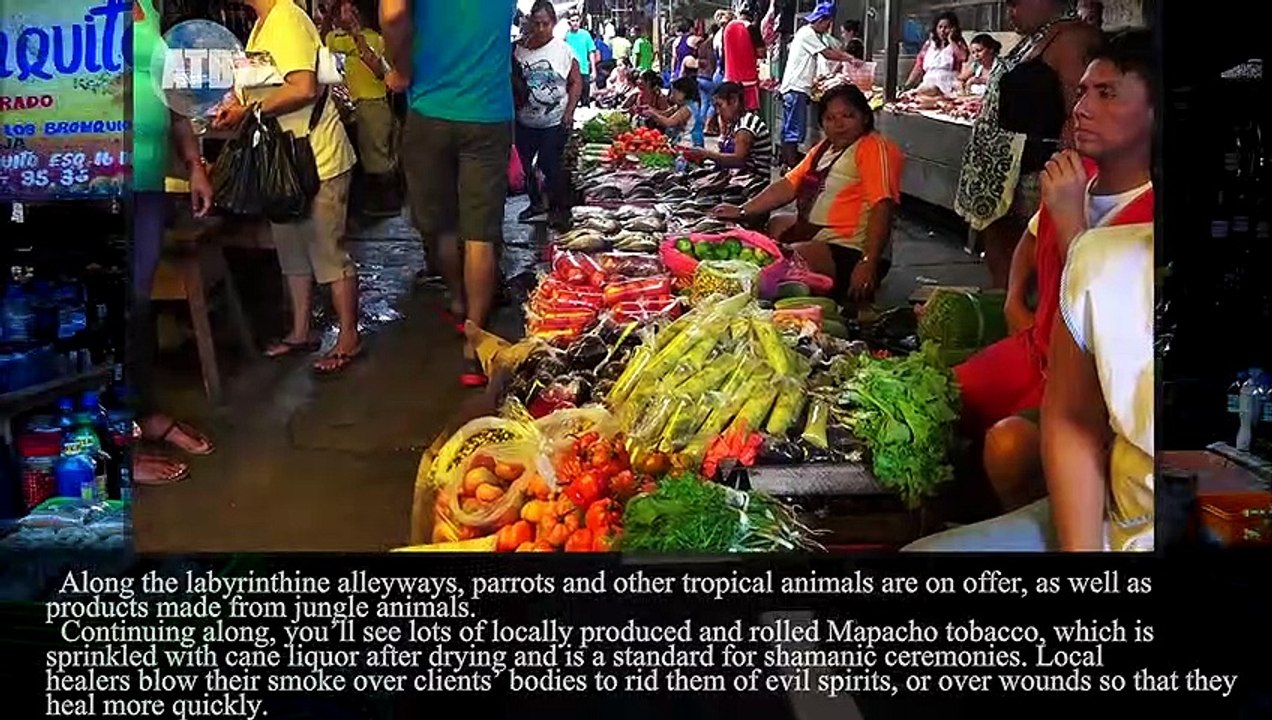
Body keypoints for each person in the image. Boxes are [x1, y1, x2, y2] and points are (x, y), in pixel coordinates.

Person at [905, 30, 1156, 552]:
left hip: (1089, 381)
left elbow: (1106, 331)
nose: (1082, 108)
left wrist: (1072, 226)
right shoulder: (1077, 176)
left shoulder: (1145, 216)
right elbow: (1028, 241)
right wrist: (1015, 298)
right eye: (1082, 92)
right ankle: (945, 516)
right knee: (927, 403)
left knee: (1008, 445)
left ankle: (1020, 522)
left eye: (1107, 94)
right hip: (1034, 350)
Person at [213, 0, 361, 375]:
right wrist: (236, 103)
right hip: (284, 159)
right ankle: (300, 332)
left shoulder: (288, 19)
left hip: (316, 157)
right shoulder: (262, 25)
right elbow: (261, 86)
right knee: (292, 249)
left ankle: (348, 337)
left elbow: (304, 87)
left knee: (327, 250)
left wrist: (249, 112)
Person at [382, 0, 516, 387]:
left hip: (431, 110)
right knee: (480, 234)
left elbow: (392, 13)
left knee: (441, 225)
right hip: (489, 112)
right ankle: (475, 342)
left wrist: (400, 69)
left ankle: (458, 300)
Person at [953, 0, 1102, 289]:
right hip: (1006, 177)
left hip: (1039, 172)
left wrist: (1063, 173)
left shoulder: (1072, 39)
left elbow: (1078, 113)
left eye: (1016, 3)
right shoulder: (1034, 38)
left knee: (1037, 268)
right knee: (1006, 265)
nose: (1010, 10)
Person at [712, 84, 902, 310]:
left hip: (852, 246)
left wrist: (868, 262)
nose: (839, 124)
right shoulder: (825, 148)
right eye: (830, 118)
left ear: (865, 118)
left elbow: (883, 205)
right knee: (775, 225)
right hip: (821, 233)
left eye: (848, 116)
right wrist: (743, 210)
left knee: (788, 263)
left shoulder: (873, 147)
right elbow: (787, 185)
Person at [131, 0, 216, 485]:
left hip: (146, 183)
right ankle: (115, 447)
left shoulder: (147, 5)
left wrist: (194, 164)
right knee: (99, 309)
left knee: (136, 305)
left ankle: (146, 414)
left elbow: (171, 95)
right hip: (88, 182)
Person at [515, 0, 582, 227]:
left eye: (545, 23)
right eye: (537, 23)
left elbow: (575, 82)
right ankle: (535, 203)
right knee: (525, 166)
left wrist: (569, 111)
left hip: (554, 120)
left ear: (553, 23)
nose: (541, 28)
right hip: (524, 121)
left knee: (549, 164)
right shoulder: (518, 50)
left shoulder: (563, 50)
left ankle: (555, 208)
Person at [325, 1, 396, 200]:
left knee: (376, 155)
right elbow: (324, 43)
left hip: (372, 103)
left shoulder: (373, 39)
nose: (346, 15)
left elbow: (379, 69)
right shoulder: (339, 39)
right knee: (365, 154)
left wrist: (356, 35)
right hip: (355, 103)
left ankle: (386, 200)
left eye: (350, 10)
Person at [778, 2, 862, 169]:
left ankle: (786, 163)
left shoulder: (809, 34)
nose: (828, 27)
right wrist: (850, 59)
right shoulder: (808, 34)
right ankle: (791, 167)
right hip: (797, 88)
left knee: (789, 128)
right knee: (794, 131)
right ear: (822, 20)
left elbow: (831, 47)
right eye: (828, 23)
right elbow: (827, 53)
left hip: (793, 87)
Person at [682, 81, 772, 178]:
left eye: (720, 105)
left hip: (754, 179)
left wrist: (707, 154)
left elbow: (738, 160)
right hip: (738, 176)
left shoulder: (746, 126)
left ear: (734, 101)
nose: (718, 111)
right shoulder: (733, 124)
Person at [902, 11, 968, 96]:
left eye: (946, 27)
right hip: (928, 83)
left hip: (948, 84)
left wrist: (951, 40)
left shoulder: (958, 44)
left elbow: (963, 57)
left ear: (953, 29)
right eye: (940, 27)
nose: (942, 30)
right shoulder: (929, 44)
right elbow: (918, 66)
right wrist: (907, 85)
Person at [722, 1, 763, 111]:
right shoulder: (751, 28)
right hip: (748, 80)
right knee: (748, 112)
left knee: (731, 111)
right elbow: (761, 52)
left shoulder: (727, 27)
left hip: (730, 78)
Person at [642, 76, 703, 148]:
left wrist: (653, 114)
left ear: (683, 94)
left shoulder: (687, 108)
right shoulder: (681, 105)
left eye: (674, 93)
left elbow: (669, 122)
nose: (672, 96)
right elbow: (664, 113)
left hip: (690, 143)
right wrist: (650, 109)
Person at [562, 13, 598, 106]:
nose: (575, 23)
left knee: (585, 99)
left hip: (584, 69)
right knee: (571, 99)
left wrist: (593, 70)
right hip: (570, 71)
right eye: (573, 21)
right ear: (569, 22)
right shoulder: (566, 36)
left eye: (577, 20)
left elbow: (591, 52)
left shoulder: (585, 35)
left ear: (580, 21)